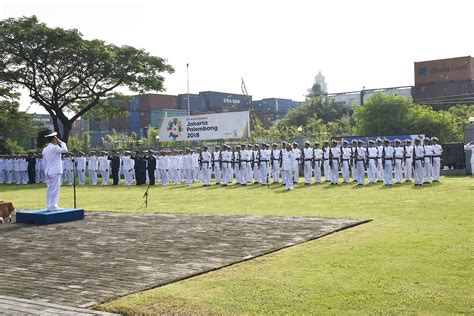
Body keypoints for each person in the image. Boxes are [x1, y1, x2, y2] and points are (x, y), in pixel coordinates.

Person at [42, 132, 68, 210]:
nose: (57, 140)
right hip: (55, 171)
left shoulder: (45, 149)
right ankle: (53, 205)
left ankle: (49, 205)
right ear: (54, 139)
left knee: (50, 189)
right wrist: (62, 142)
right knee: (55, 189)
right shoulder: (55, 147)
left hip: (48, 171)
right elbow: (65, 150)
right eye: (56, 138)